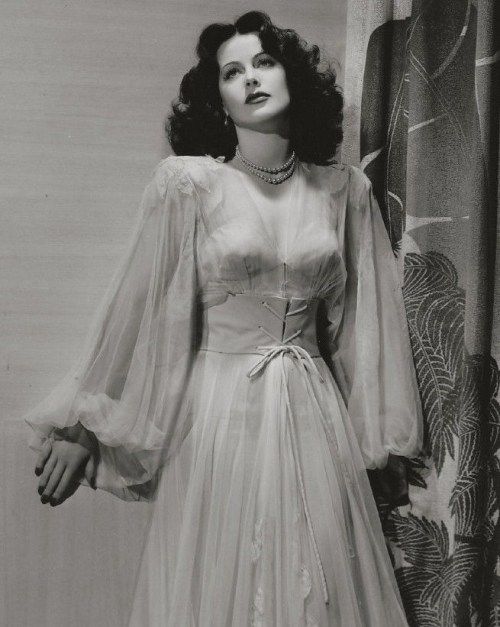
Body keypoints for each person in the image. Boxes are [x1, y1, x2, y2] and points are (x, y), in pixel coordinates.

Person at [25, 10, 424, 626]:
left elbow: (361, 330)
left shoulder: (344, 190)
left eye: (264, 62)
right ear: (218, 100)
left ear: (293, 77)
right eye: (232, 72)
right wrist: (83, 428)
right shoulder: (189, 185)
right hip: (218, 419)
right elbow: (136, 309)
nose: (251, 78)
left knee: (316, 587)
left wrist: (380, 441)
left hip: (314, 418)